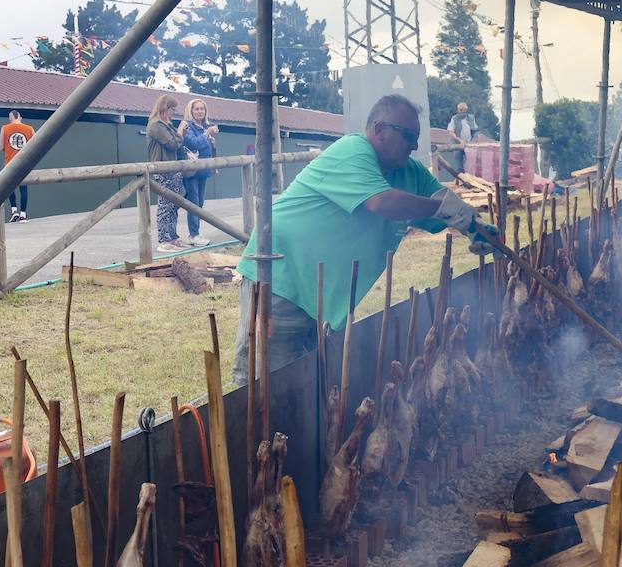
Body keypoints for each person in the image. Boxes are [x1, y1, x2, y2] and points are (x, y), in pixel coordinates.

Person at [231, 94, 497, 383]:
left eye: (416, 137)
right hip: (282, 280)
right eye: (408, 135)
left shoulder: (410, 173)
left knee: (309, 386)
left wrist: (474, 227)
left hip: (323, 299)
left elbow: (442, 204)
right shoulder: (353, 150)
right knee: (267, 387)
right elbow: (383, 203)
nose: (415, 145)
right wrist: (444, 209)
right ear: (380, 130)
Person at [146, 94, 188, 252]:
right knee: (165, 205)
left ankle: (172, 237)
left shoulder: (165, 124)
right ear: (164, 107)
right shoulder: (156, 124)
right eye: (172, 108)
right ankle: (164, 240)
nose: (174, 112)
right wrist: (180, 132)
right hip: (163, 170)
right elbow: (172, 144)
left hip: (173, 169)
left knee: (174, 205)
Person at [178, 98, 219, 247]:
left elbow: (205, 149)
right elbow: (193, 143)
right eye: (197, 109)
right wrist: (208, 133)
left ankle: (196, 232)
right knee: (194, 203)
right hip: (191, 171)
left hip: (203, 170)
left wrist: (212, 145)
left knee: (200, 203)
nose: (200, 111)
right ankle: (193, 234)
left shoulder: (202, 127)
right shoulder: (187, 126)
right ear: (191, 110)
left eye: (202, 109)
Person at [0, 110, 35, 222]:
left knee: (10, 187)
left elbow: (1, 147)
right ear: (19, 116)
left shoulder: (4, 128)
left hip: (10, 163)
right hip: (24, 163)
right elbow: (36, 144)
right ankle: (23, 214)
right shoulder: (29, 128)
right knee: (23, 188)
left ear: (11, 117)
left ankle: (14, 211)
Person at [446, 101, 478, 172]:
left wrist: (473, 142)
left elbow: (475, 131)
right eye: (460, 110)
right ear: (457, 110)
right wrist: (459, 140)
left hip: (469, 144)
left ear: (466, 110)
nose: (462, 112)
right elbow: (450, 132)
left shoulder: (471, 118)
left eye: (463, 110)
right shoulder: (454, 118)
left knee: (470, 164)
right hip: (458, 144)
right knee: (459, 165)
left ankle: (469, 179)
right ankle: (460, 179)